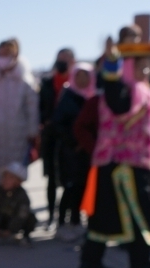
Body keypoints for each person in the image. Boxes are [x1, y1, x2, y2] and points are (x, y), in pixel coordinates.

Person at [74, 38, 150, 268]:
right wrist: (113, 61)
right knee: (130, 215)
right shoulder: (121, 91)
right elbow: (115, 96)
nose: (146, 70)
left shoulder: (144, 93)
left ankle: (100, 261)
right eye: (141, 66)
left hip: (134, 164)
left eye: (148, 66)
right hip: (118, 166)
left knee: (113, 216)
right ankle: (135, 262)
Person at [0, 38, 39, 190]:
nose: (3, 57)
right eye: (1, 53)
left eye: (7, 53)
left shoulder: (24, 80)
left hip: (18, 134)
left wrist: (32, 131)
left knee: (15, 173)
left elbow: (32, 107)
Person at [50, 62, 96, 242]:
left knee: (81, 188)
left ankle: (76, 222)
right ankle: (61, 224)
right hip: (69, 152)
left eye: (86, 76)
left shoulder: (92, 98)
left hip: (86, 152)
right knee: (69, 188)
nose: (82, 80)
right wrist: (74, 142)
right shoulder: (67, 96)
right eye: (79, 76)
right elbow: (57, 124)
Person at [39, 48, 75, 225]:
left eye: (66, 60)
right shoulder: (47, 82)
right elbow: (40, 107)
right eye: (59, 59)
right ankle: (51, 214)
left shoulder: (77, 83)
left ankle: (66, 215)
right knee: (51, 177)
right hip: (50, 136)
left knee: (70, 178)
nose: (62, 63)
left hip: (69, 137)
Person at [0, 162, 35, 245]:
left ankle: (25, 236)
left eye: (10, 178)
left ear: (18, 182)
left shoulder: (22, 196)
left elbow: (21, 215)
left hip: (15, 222)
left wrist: (11, 230)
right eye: (4, 177)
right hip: (3, 220)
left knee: (30, 217)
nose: (5, 180)